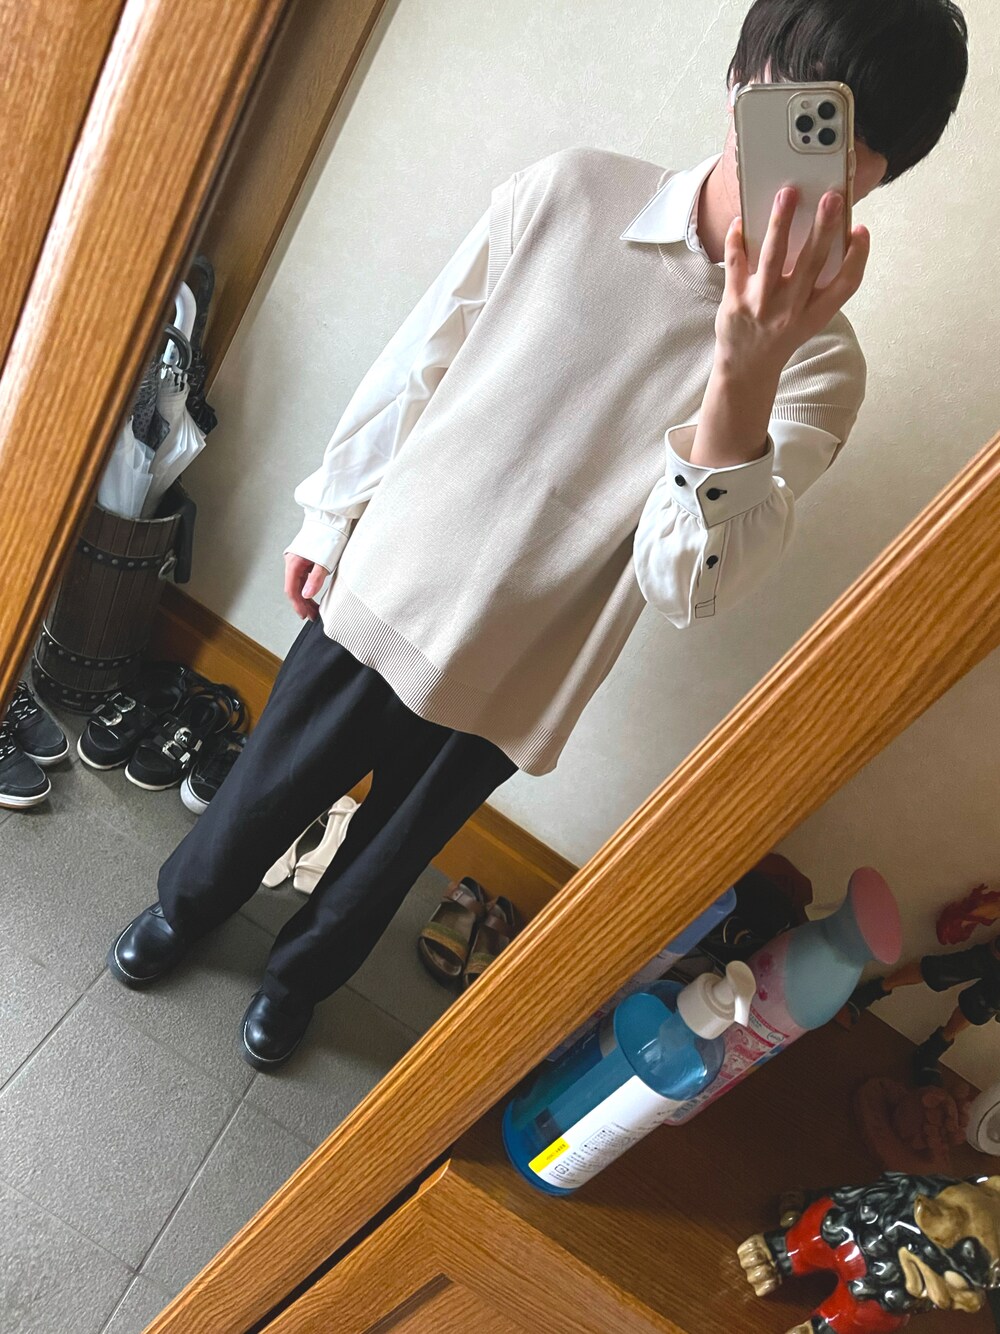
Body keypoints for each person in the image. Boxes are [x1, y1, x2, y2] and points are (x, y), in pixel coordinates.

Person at [107, 0, 969, 1071]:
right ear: (741, 79)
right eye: (794, 105)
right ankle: (185, 909)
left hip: (528, 660)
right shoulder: (575, 190)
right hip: (396, 571)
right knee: (267, 786)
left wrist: (745, 368)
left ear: (881, 179)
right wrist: (332, 512)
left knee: (391, 857)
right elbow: (424, 352)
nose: (807, 161)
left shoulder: (822, 368)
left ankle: (298, 981)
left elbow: (685, 585)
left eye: (848, 146)